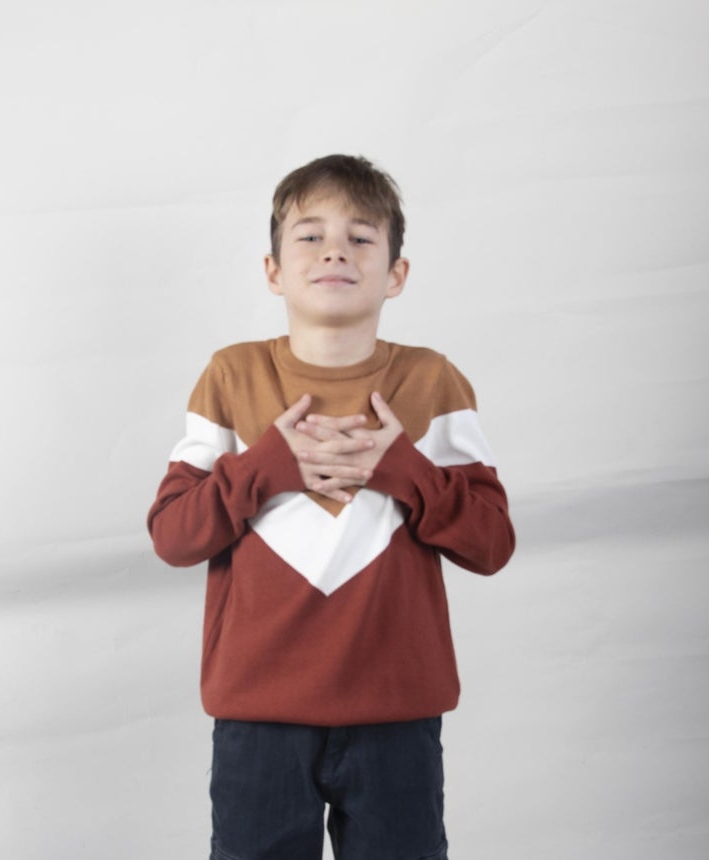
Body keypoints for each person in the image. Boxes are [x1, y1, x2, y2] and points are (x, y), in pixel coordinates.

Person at [147, 154, 515, 860]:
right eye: (310, 235)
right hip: (257, 713)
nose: (335, 250)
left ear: (396, 273)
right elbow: (173, 534)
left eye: (361, 236)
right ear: (274, 271)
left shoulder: (432, 381)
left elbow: (491, 544)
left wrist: (403, 468)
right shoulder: (233, 375)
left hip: (397, 711)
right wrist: (268, 468)